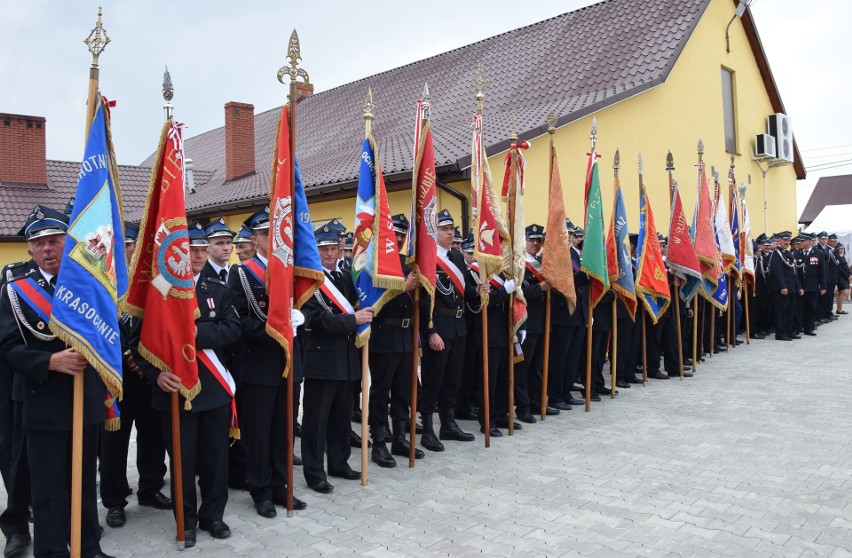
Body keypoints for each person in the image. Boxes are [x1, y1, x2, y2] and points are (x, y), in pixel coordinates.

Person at [0, 205, 113, 558]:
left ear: (69, 242)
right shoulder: (15, 291)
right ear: (30, 251)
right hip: (42, 400)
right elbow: (7, 349)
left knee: (82, 481)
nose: (48, 248)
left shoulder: (91, 285)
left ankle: (88, 546)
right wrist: (49, 360)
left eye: (55, 240)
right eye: (40, 243)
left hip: (86, 398)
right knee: (48, 488)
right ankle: (52, 552)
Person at [148, 221, 241, 548]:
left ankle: (213, 515)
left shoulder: (218, 288)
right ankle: (185, 521)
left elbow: (233, 330)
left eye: (203, 249)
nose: (199, 255)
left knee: (216, 458)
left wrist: (199, 334)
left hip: (212, 388)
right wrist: (154, 375)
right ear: (180, 252)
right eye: (193, 249)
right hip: (173, 390)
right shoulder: (160, 290)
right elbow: (141, 342)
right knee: (183, 461)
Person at [229, 207, 307, 517]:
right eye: (263, 234)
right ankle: (260, 489)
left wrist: (301, 319)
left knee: (284, 431)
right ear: (255, 239)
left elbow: (305, 308)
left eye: (272, 233)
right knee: (259, 433)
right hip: (259, 364)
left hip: (289, 362)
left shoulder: (290, 269)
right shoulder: (242, 273)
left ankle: (281, 485)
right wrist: (273, 329)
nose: (269, 239)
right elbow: (239, 323)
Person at [100, 222, 171, 530]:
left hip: (147, 372)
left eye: (132, 245)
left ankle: (151, 487)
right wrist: (125, 355)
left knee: (153, 434)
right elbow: (95, 329)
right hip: (115, 377)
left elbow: (162, 322)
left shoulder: (152, 281)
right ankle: (115, 501)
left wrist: (141, 358)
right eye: (124, 245)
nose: (128, 250)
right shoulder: (101, 281)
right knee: (114, 443)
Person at [300, 225, 371, 494]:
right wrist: (353, 320)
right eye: (323, 249)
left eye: (333, 248)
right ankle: (314, 472)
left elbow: (356, 302)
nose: (329, 253)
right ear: (315, 251)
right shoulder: (309, 281)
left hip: (347, 358)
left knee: (341, 418)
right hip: (322, 360)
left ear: (340, 249)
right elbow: (317, 320)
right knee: (316, 421)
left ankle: (339, 463)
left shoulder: (343, 276)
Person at [368, 214, 424, 468]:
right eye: (395, 234)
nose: (399, 238)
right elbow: (371, 302)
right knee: (381, 392)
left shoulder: (408, 262)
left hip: (406, 336)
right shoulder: (375, 263)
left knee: (403, 390)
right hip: (384, 336)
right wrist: (404, 286)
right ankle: (379, 444)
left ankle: (400, 438)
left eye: (402, 235)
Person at [419, 210, 478, 450]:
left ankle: (448, 424)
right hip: (439, 327)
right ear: (434, 232)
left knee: (453, 379)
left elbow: (464, 289)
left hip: (458, 325)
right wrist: (430, 330)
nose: (450, 232)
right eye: (444, 228)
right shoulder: (427, 257)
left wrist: (479, 290)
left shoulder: (455, 256)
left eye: (451, 228)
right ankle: (427, 430)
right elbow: (424, 299)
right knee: (434, 379)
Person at [517, 224, 550, 422]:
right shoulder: (519, 264)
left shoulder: (541, 264)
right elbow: (520, 292)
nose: (535, 244)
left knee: (537, 367)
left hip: (541, 322)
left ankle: (537, 403)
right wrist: (541, 288)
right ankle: (523, 407)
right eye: (531, 240)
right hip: (525, 322)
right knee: (523, 367)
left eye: (539, 240)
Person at [768, 231, 799, 341]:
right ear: (779, 241)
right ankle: (780, 333)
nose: (787, 242)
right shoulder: (777, 253)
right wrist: (782, 287)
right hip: (783, 288)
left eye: (788, 240)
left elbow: (794, 272)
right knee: (781, 312)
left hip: (792, 287)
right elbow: (777, 272)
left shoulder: (788, 253)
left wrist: (798, 287)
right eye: (785, 240)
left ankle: (788, 331)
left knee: (790, 311)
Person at [795, 233, 825, 336]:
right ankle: (798, 328)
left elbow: (822, 271)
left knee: (811, 307)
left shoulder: (818, 253)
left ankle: (809, 328)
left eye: (802, 241)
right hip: (801, 286)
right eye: (800, 241)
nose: (801, 243)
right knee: (799, 308)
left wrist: (823, 286)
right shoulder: (796, 253)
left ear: (809, 242)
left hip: (813, 285)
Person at [204, 218, 235, 283]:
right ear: (207, 247)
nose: (226, 248)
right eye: (219, 243)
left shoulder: (236, 273)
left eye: (228, 242)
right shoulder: (200, 274)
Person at [835, 243, 850, 315]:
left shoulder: (842, 257)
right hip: (840, 277)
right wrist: (848, 275)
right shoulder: (837, 257)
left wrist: (850, 274)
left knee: (841, 293)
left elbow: (846, 267)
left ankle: (839, 309)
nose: (842, 250)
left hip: (845, 277)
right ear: (837, 250)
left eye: (842, 248)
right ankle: (839, 309)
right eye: (840, 249)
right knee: (845, 292)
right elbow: (840, 269)